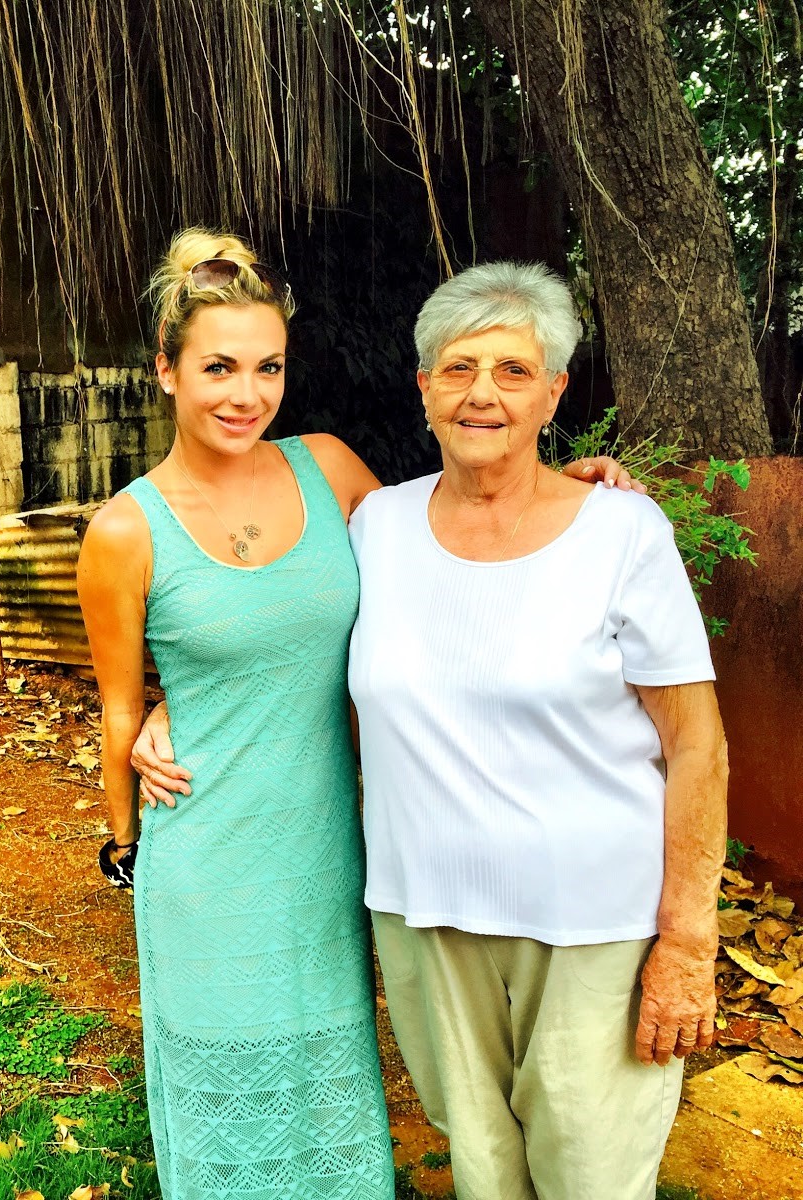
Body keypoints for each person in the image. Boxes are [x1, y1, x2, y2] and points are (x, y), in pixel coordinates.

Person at [129, 259, 727, 1200]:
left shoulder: (621, 533)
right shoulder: (381, 525)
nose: (482, 393)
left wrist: (689, 938)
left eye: (514, 371)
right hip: (423, 917)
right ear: (423, 387)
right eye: (457, 368)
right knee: (482, 1169)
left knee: (589, 1174)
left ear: (556, 391)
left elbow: (699, 744)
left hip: (589, 923)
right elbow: (284, 619)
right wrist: (187, 696)